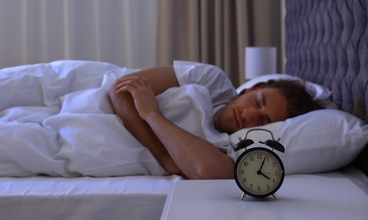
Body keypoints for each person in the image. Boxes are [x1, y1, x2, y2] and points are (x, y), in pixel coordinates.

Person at [108, 61, 323, 180]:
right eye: (257, 102)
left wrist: (152, 115)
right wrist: (165, 156)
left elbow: (208, 171)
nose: (247, 115)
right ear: (251, 88)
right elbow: (119, 89)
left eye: (262, 122)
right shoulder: (212, 81)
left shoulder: (228, 147)